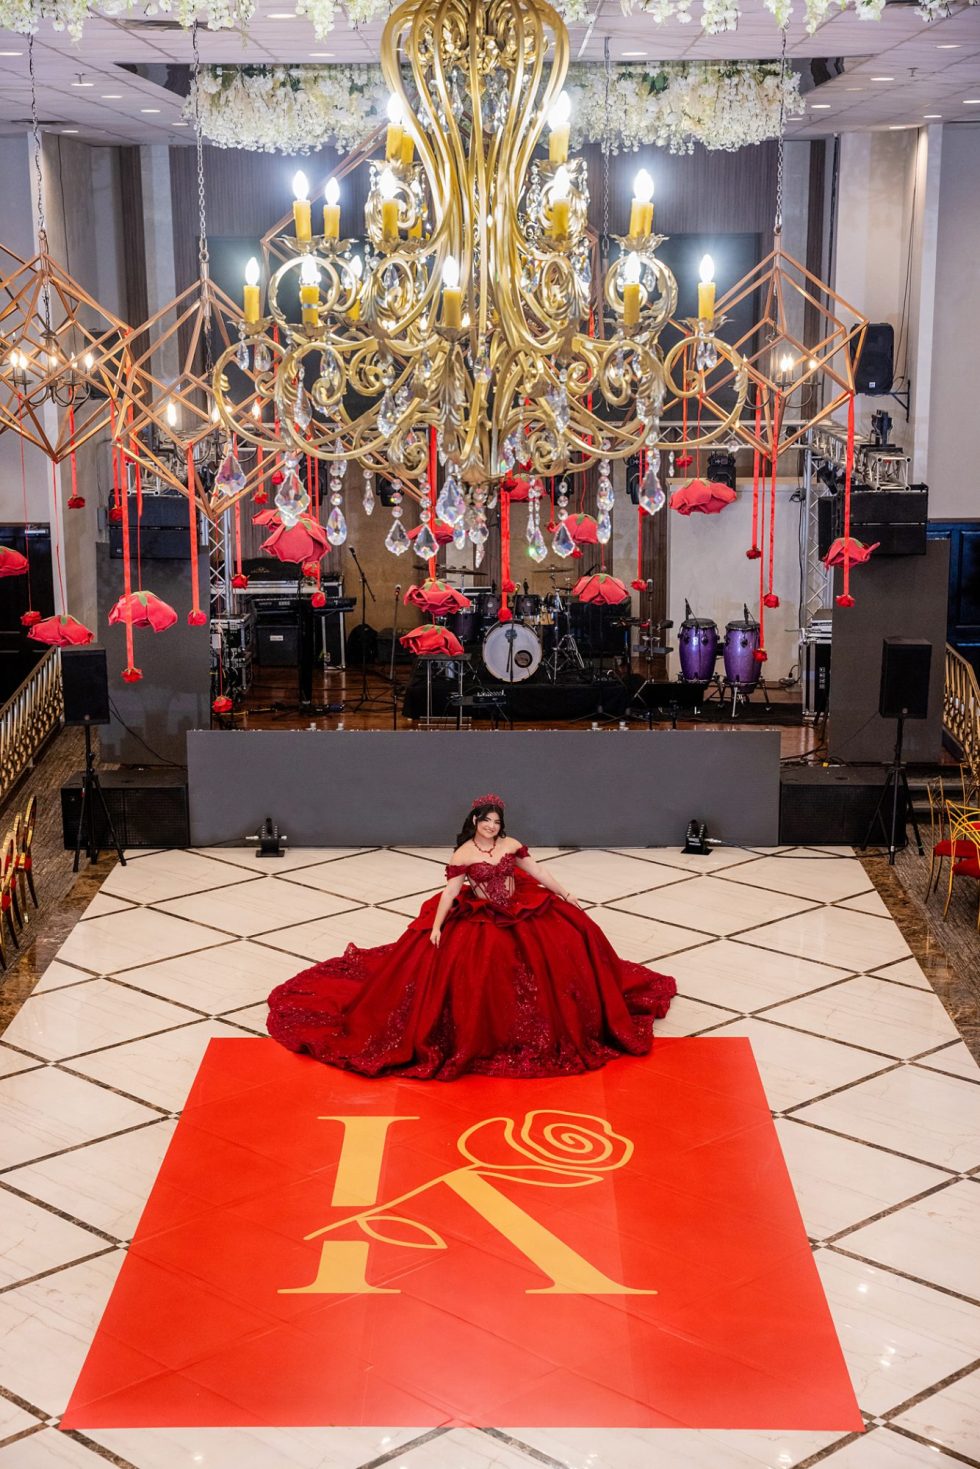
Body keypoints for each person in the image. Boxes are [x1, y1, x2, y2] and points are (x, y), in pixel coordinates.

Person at [266, 795, 676, 1080]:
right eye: (486, 821)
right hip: (481, 916)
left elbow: (537, 872)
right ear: (475, 822)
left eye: (497, 822)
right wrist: (437, 926)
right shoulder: (462, 855)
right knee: (480, 971)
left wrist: (565, 893)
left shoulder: (511, 845)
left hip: (520, 908)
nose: (492, 827)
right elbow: (449, 893)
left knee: (563, 945)